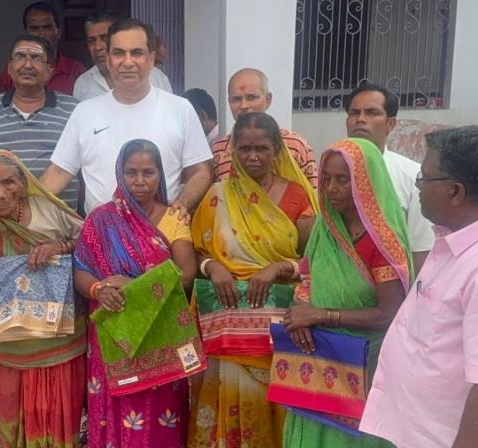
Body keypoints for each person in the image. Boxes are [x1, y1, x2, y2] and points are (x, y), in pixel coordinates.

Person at [187, 112, 318, 448]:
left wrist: (277, 268)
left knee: (273, 411)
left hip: (277, 331)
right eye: (244, 149)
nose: (253, 156)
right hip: (225, 324)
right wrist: (212, 268)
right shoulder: (217, 196)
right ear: (232, 150)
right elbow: (196, 253)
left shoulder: (297, 198)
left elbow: (313, 262)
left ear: (277, 149)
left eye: (261, 148)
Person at [282, 138, 413, 447]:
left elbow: (389, 313)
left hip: (364, 366)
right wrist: (302, 314)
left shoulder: (382, 241)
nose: (331, 188)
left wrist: (321, 315)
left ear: (367, 183)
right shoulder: (326, 230)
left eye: (343, 180)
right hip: (319, 356)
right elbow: (308, 278)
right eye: (326, 178)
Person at [73, 139, 197, 447]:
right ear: (120, 174)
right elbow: (80, 269)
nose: (140, 182)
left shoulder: (174, 218)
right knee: (115, 404)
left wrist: (136, 287)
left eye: (148, 173)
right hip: (113, 330)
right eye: (131, 173)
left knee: (161, 408)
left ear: (160, 176)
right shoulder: (101, 219)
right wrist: (98, 289)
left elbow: (186, 274)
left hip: (159, 332)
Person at [359, 126, 478, 448]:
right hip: (411, 432)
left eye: (424, 178)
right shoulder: (447, 245)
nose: (417, 186)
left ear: (455, 191)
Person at [0, 149, 85, 447]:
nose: (0, 193)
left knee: (53, 405)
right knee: (9, 402)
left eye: (9, 183)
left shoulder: (48, 209)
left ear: (23, 182)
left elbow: (89, 240)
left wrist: (59, 245)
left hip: (57, 334)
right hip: (12, 339)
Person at [41, 18, 212, 216]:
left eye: (137, 53)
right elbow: (59, 172)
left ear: (151, 58)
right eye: (119, 53)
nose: (128, 62)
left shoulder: (180, 109)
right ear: (109, 58)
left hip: (161, 236)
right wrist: (24, 208)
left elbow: (200, 171)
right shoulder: (85, 112)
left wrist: (181, 205)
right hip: (102, 239)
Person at [0, 34, 81, 216]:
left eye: (36, 58)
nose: (27, 65)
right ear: (10, 69)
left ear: (50, 69)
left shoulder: (73, 109)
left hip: (59, 227)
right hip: (3, 224)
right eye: (20, 57)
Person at [344, 83, 435, 273]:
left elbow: (420, 248)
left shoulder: (413, 177)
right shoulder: (333, 173)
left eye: (371, 113)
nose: (360, 119)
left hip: (392, 293)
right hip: (333, 289)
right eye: (354, 113)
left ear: (390, 123)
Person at [212, 68, 318, 186]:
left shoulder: (295, 145)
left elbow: (313, 195)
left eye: (251, 97)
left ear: (268, 99)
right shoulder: (218, 151)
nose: (243, 105)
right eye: (236, 99)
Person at [73, 12, 172, 102]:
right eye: (92, 41)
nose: (98, 47)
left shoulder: (157, 78)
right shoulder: (83, 83)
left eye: (104, 38)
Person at [0, 1, 85, 96]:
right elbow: (3, 107)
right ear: (26, 34)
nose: (41, 34)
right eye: (34, 28)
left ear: (58, 32)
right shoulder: (13, 70)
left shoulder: (76, 70)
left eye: (47, 27)